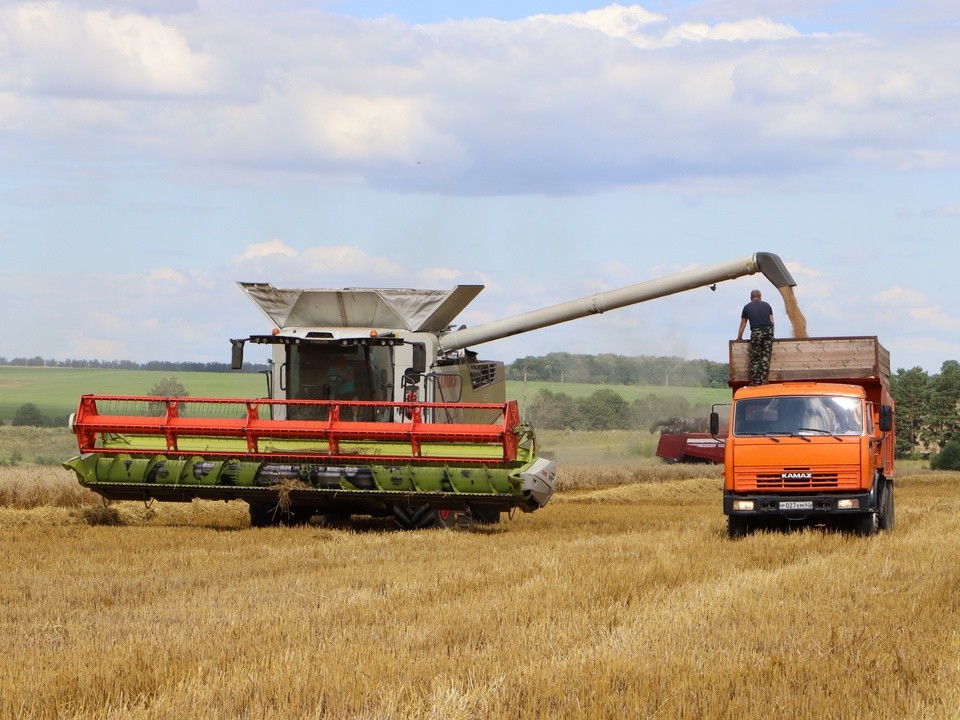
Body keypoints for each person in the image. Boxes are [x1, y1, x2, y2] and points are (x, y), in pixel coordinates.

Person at [737, 289, 775, 385]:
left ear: (751, 297)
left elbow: (743, 324)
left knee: (755, 356)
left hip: (756, 332)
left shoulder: (746, 307)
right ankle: (762, 379)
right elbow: (772, 322)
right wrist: (772, 335)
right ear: (760, 296)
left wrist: (739, 337)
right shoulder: (767, 305)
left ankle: (756, 380)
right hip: (768, 331)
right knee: (765, 355)